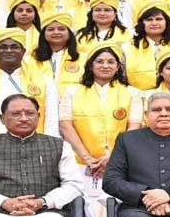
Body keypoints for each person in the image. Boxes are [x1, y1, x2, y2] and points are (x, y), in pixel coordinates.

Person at [59, 41, 142, 189]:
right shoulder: (72, 91)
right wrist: (88, 159)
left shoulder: (132, 92)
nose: (105, 66)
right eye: (100, 61)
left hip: (119, 161)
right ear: (90, 66)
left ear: (118, 67)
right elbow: (66, 126)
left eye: (111, 62)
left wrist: (112, 157)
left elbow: (134, 128)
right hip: (79, 162)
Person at [0, 28, 58, 148]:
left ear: (23, 51)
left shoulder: (45, 81)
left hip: (35, 148)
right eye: (3, 47)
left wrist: (49, 148)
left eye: (14, 47)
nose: (9, 50)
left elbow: (51, 122)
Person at [29, 11, 86, 98]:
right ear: (43, 35)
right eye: (50, 29)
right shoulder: (32, 59)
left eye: (61, 29)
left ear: (69, 34)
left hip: (73, 102)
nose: (56, 32)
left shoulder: (84, 58)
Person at [123, 1, 170, 90]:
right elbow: (122, 80)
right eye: (149, 19)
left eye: (159, 19)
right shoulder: (126, 48)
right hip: (137, 95)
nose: (154, 23)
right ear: (141, 23)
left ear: (166, 22)